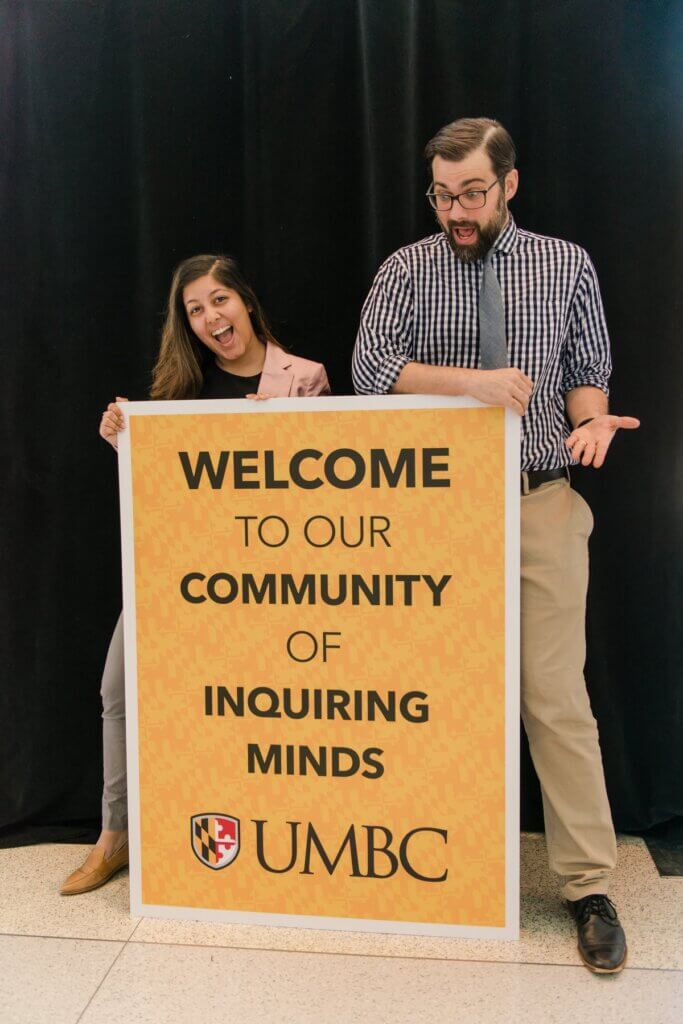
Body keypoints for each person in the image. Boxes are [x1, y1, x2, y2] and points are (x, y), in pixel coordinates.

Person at [352, 118, 639, 974]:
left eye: (471, 192)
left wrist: (591, 424)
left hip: (538, 501)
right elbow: (371, 367)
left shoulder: (565, 263)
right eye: (441, 194)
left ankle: (587, 885)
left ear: (508, 183)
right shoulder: (407, 267)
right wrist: (469, 383)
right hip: (432, 514)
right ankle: (430, 865)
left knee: (553, 696)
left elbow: (587, 368)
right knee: (425, 694)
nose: (455, 210)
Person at [60, 254, 330, 896]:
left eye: (219, 300)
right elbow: (166, 489)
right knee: (118, 689)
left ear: (246, 302)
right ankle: (116, 837)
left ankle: (279, 839)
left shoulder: (306, 378)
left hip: (268, 584)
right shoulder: (179, 390)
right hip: (181, 570)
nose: (211, 317)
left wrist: (283, 433)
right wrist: (124, 438)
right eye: (195, 310)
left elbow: (326, 491)